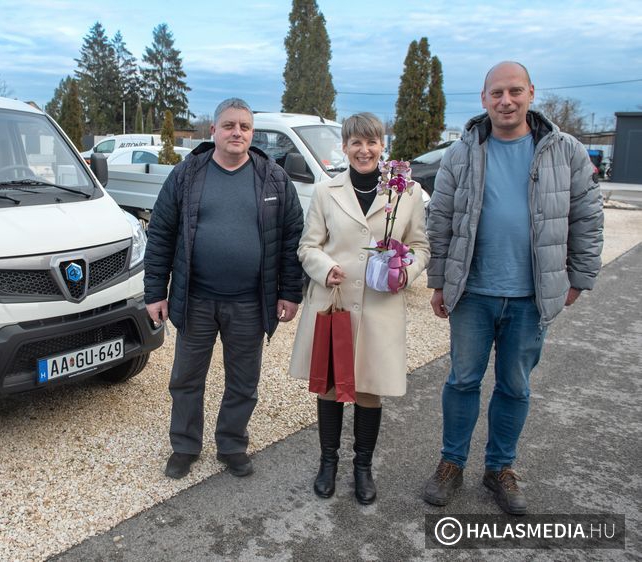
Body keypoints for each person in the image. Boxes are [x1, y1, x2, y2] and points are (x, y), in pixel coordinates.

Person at [422, 61, 604, 515]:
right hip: (473, 293)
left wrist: (579, 277)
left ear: (531, 93)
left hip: (530, 297)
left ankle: (499, 468)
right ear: (484, 99)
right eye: (497, 93)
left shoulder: (565, 152)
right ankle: (451, 463)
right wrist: (439, 280)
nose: (506, 100)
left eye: (515, 91)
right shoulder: (462, 153)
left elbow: (587, 216)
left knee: (515, 386)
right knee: (462, 381)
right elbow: (439, 219)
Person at [144, 98, 304, 480]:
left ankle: (232, 444)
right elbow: (161, 234)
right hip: (196, 298)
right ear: (212, 130)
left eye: (244, 127)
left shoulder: (273, 178)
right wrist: (155, 292)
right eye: (229, 125)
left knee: (244, 381)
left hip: (250, 302)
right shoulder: (187, 174)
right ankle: (184, 446)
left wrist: (290, 292)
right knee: (186, 379)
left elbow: (291, 238)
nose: (237, 133)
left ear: (252, 133)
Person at [287, 113, 429, 503]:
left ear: (383, 146)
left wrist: (406, 272)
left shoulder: (406, 191)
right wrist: (323, 268)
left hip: (380, 307)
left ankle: (362, 467)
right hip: (334, 304)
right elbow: (307, 246)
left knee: (369, 390)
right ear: (344, 147)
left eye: (372, 142)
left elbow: (420, 247)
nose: (364, 150)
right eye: (355, 143)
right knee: (330, 387)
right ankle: (327, 463)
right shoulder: (325, 190)